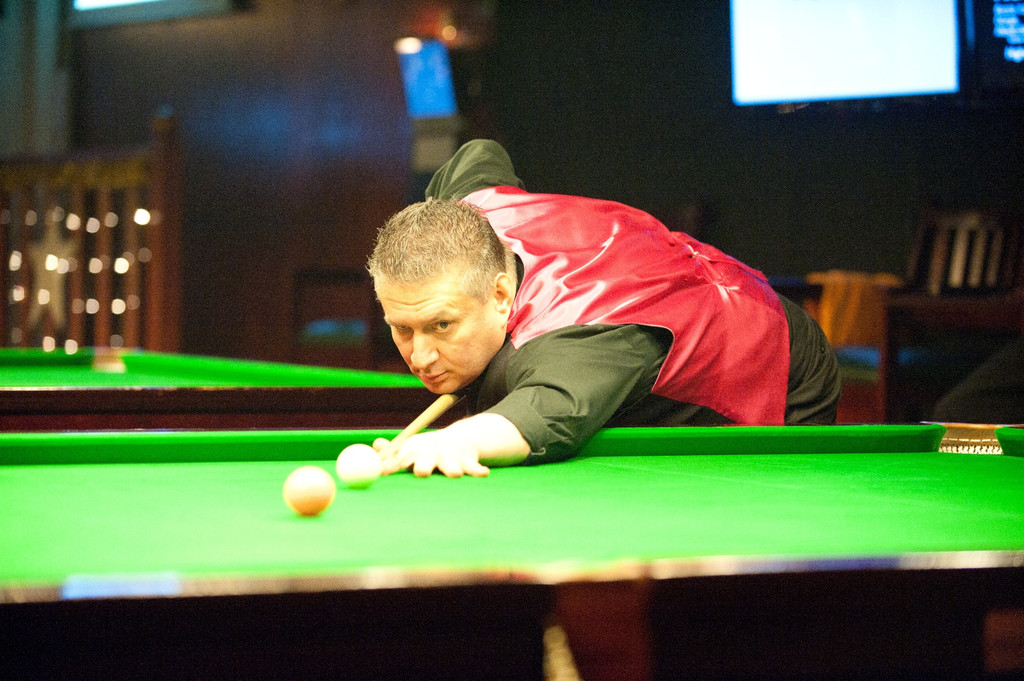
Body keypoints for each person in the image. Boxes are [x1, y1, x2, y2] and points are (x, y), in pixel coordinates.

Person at [366, 139, 840, 478]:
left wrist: (458, 439)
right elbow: (479, 153)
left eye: (441, 325)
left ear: (501, 294)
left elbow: (545, 414)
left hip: (775, 356)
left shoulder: (575, 335)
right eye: (402, 329)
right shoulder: (474, 210)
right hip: (647, 292)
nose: (419, 356)